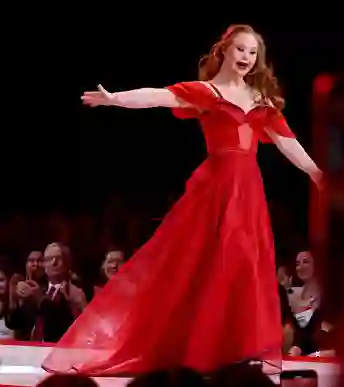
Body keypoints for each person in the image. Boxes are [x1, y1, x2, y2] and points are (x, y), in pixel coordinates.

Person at [41, 24, 323, 376]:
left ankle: (231, 349)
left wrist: (316, 173)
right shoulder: (207, 92)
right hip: (216, 188)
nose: (247, 59)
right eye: (240, 50)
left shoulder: (260, 101)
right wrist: (116, 98)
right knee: (200, 265)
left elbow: (286, 141)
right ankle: (193, 348)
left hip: (248, 191)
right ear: (224, 51)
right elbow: (159, 96)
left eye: (253, 53)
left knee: (243, 266)